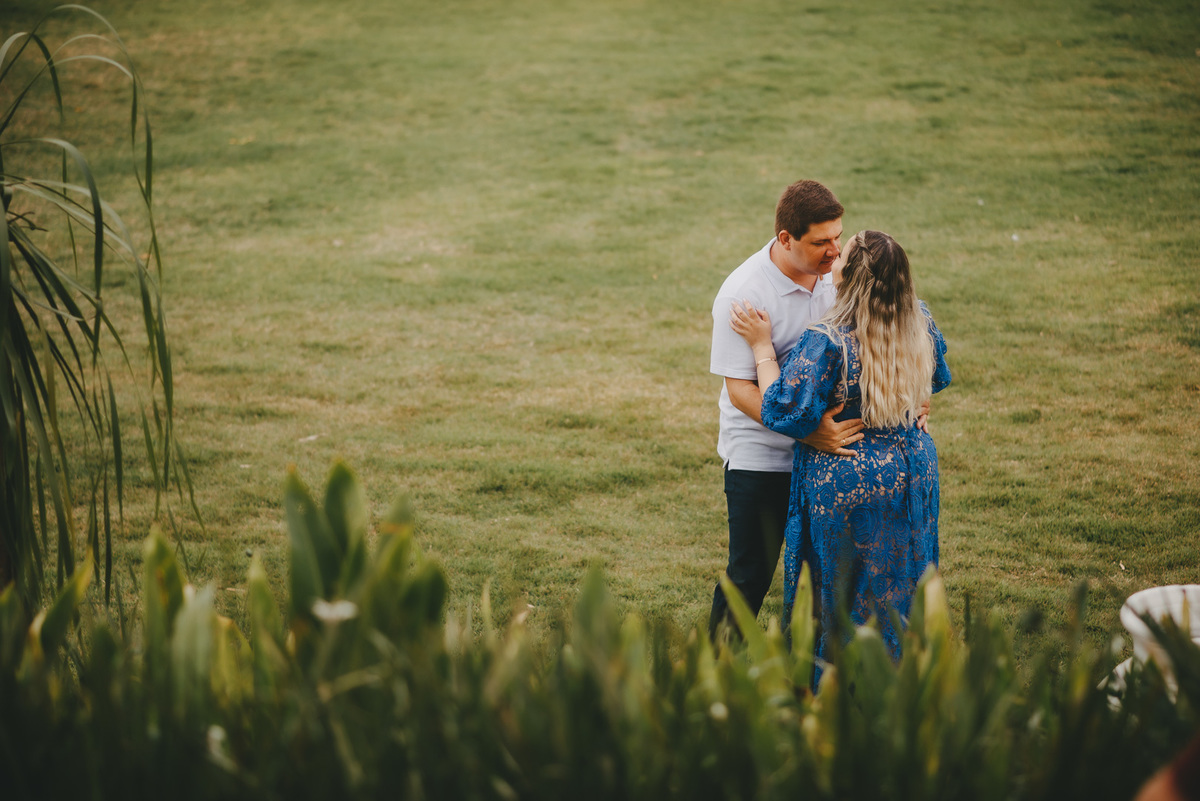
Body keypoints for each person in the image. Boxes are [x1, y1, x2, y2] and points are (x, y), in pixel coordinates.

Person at [729, 229, 951, 665]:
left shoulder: (828, 341)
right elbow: (936, 376)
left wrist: (760, 347)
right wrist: (916, 403)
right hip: (913, 469)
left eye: (842, 254)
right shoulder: (919, 320)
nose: (833, 257)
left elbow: (782, 409)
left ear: (845, 277)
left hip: (847, 474)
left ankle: (836, 691)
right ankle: (904, 677)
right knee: (904, 580)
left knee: (840, 590)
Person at [707, 180, 865, 641]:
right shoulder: (743, 294)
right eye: (821, 242)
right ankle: (711, 674)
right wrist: (808, 432)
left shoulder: (838, 276)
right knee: (750, 574)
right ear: (785, 239)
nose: (835, 250)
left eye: (838, 236)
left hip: (828, 454)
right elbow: (739, 390)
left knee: (822, 576)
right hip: (762, 458)